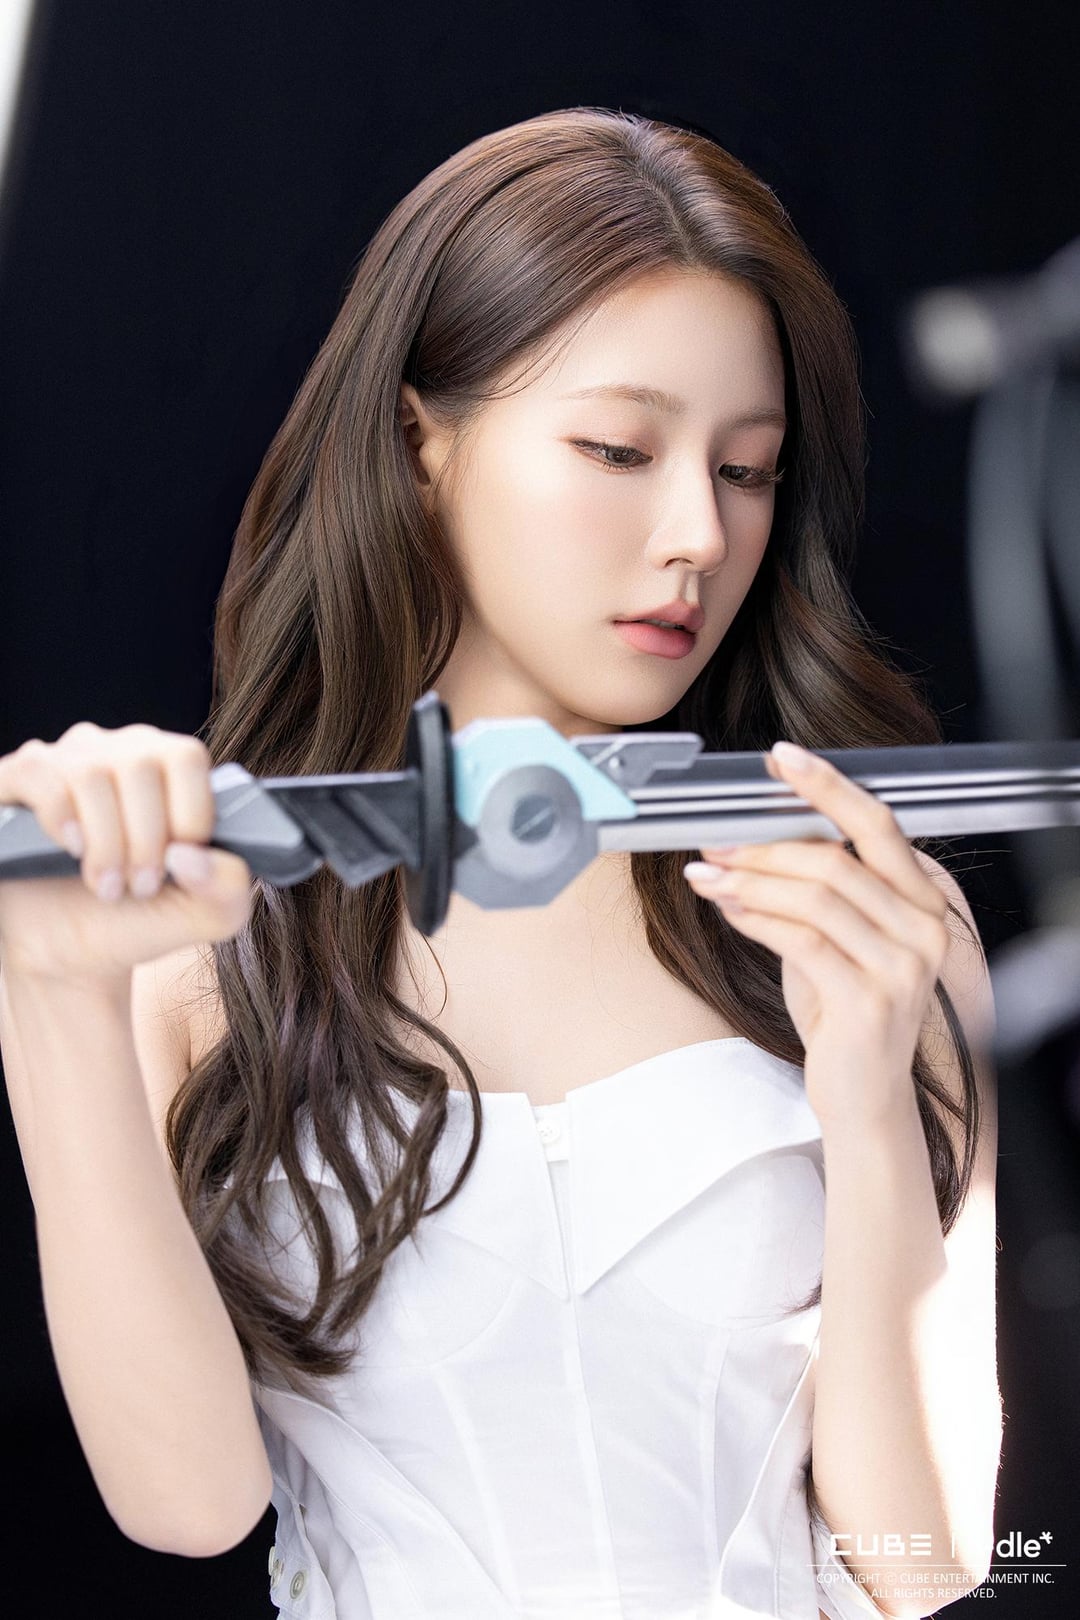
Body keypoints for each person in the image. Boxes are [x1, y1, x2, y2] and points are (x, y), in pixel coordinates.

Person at [0, 107, 1002, 1619]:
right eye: (618, 449)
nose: (696, 534)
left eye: (747, 471)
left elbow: (927, 1567)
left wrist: (868, 1112)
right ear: (422, 443)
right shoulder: (200, 930)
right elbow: (190, 1505)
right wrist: (51, 996)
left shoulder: (866, 918)